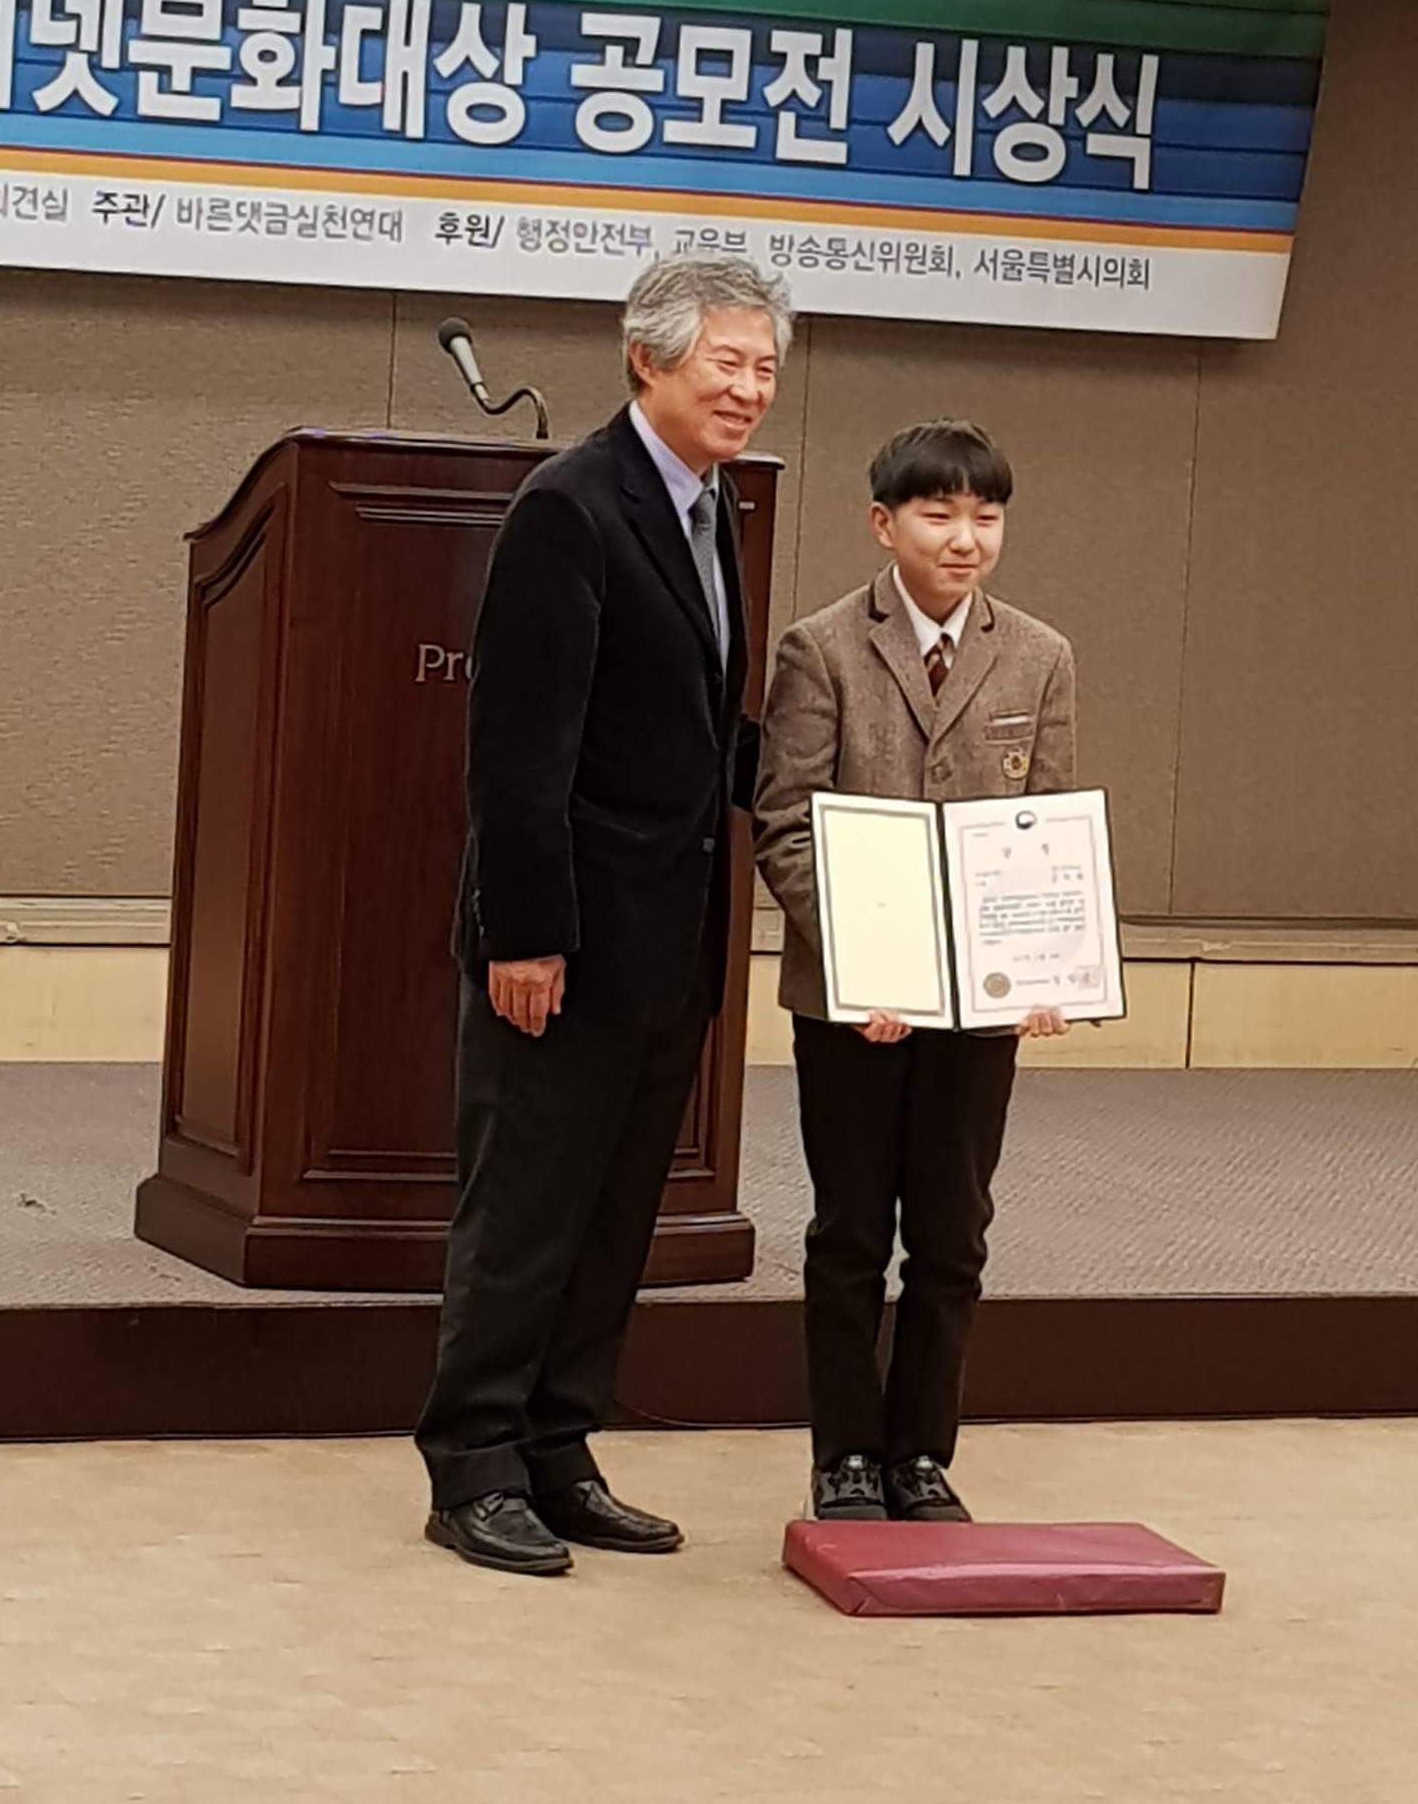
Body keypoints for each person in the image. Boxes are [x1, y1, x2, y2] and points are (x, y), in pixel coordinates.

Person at [418, 253, 793, 1575]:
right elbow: (519, 753)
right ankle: (474, 1463)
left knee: (612, 1213)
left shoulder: (713, 507)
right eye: (726, 363)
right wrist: (525, 934)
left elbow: (688, 729)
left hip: (666, 939)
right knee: (526, 1209)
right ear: (648, 358)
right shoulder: (571, 505)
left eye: (765, 368)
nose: (749, 389)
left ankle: (559, 1447)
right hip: (562, 944)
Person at [753, 419, 1076, 1525]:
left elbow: (1045, 832)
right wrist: (860, 965)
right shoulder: (822, 647)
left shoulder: (1040, 654)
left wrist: (1046, 961)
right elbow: (785, 824)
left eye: (986, 515)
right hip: (853, 1001)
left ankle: (923, 1456)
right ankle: (845, 1452)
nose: (965, 537)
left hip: (977, 1008)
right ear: (884, 524)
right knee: (850, 1230)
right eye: (939, 514)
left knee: (952, 1233)